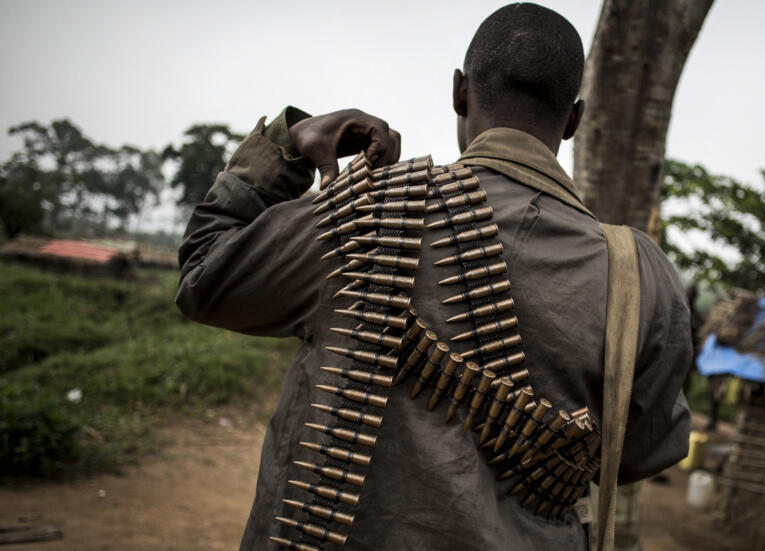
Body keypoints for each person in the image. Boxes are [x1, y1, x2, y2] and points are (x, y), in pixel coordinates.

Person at [176, 4, 691, 550]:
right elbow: (642, 453)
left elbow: (204, 277)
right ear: (573, 119)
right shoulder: (640, 275)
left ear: (459, 92)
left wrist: (289, 139)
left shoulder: (369, 212)